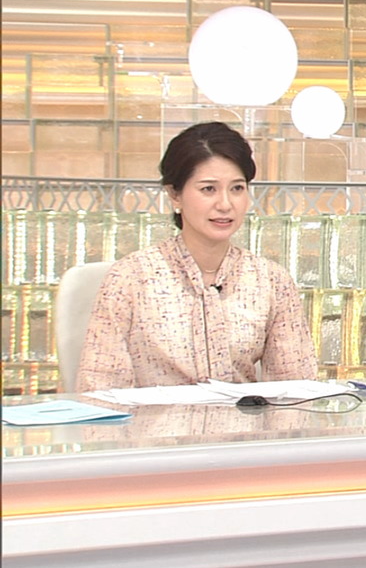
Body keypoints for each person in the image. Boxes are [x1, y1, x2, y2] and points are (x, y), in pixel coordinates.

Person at [76, 122, 317, 392]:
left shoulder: (271, 281)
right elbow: (100, 390)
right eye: (208, 189)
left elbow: (297, 389)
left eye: (237, 188)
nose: (225, 204)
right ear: (175, 195)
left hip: (243, 420)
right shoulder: (130, 279)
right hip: (152, 420)